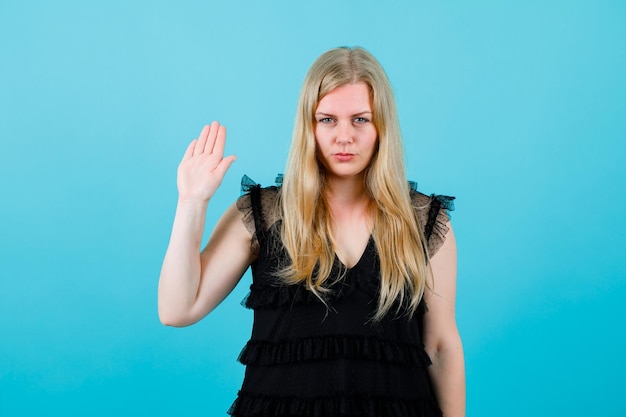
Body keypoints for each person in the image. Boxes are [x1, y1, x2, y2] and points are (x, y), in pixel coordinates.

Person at [158, 46, 465, 417]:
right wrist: (191, 203)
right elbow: (177, 309)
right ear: (309, 125)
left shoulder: (425, 220)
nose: (344, 136)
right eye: (328, 119)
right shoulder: (265, 213)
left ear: (383, 124)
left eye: (361, 119)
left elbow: (441, 346)